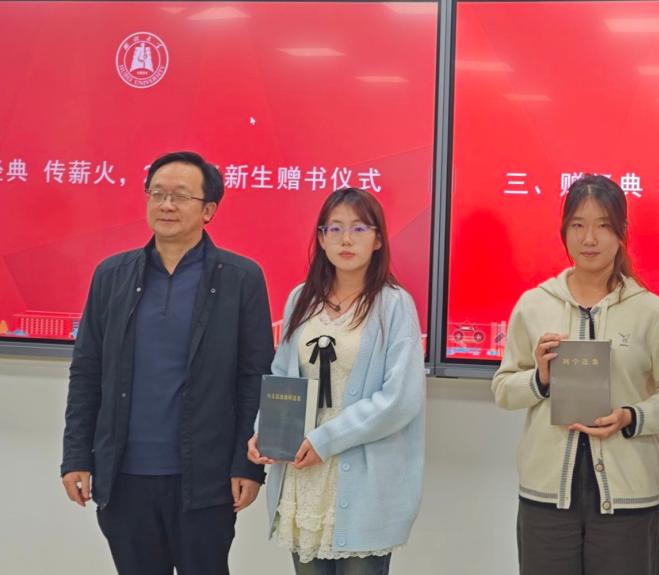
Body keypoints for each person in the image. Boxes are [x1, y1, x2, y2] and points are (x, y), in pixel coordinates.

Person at [61, 151, 274, 574]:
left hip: (205, 479)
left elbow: (254, 378)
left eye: (180, 196)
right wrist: (76, 456)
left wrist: (247, 464)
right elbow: (86, 371)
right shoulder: (112, 276)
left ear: (208, 210)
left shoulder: (240, 278)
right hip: (124, 476)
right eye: (157, 194)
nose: (166, 205)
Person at [492, 175, 659, 575]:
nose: (589, 238)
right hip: (547, 497)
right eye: (578, 224)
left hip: (627, 495)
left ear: (621, 233)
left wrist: (631, 417)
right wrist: (540, 380)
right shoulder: (534, 304)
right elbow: (503, 389)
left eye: (603, 225)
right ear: (564, 231)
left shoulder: (651, 311)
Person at [248, 187, 426, 575]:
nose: (346, 239)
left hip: (361, 481)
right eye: (335, 228)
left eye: (359, 229)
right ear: (322, 238)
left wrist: (325, 440)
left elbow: (400, 398)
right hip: (304, 474)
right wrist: (265, 430)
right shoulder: (301, 299)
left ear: (378, 240)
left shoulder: (393, 305)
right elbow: (281, 375)